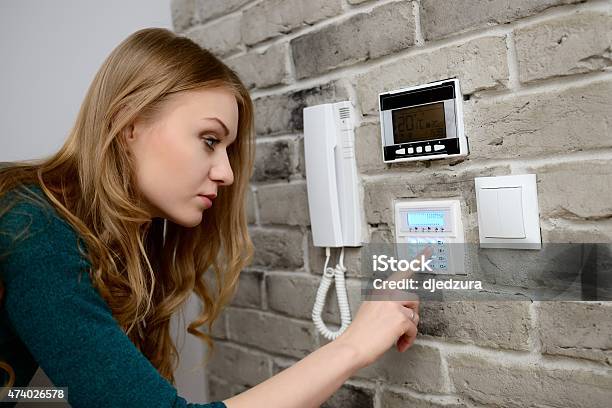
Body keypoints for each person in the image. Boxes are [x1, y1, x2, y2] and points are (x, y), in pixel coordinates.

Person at [0, 28, 420, 408]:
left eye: (226, 148)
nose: (227, 172)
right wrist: (353, 347)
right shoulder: (32, 226)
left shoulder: (116, 242)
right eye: (208, 140)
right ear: (129, 123)